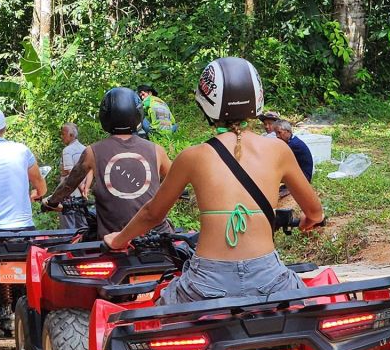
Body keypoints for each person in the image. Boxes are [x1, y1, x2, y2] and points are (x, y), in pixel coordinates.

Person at [104, 57, 324, 305]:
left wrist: (118, 239)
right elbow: (315, 212)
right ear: (257, 99)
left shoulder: (192, 157)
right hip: (270, 279)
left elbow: (152, 215)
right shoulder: (279, 151)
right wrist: (309, 221)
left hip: (206, 282)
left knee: (156, 323)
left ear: (206, 103)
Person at [43, 87, 173, 238]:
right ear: (138, 113)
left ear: (105, 116)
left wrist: (51, 202)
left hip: (112, 238)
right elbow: (176, 181)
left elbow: (68, 185)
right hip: (156, 235)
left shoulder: (92, 151)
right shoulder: (157, 150)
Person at [58, 122, 91, 229]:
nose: (62, 137)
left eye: (63, 134)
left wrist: (81, 188)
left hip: (69, 195)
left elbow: (71, 173)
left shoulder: (67, 151)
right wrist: (86, 189)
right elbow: (90, 170)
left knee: (69, 228)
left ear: (71, 135)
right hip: (81, 197)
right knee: (83, 227)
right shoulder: (86, 149)